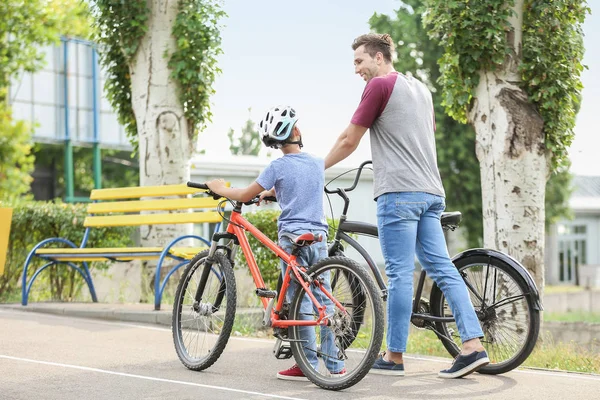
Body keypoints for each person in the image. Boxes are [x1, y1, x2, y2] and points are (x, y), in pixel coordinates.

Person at [323, 33, 489, 379]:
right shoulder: (420, 89)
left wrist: (314, 169)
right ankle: (472, 345)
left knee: (398, 273)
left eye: (360, 62)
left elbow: (349, 139)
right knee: (442, 268)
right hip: (431, 190)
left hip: (399, 194)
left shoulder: (379, 86)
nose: (357, 70)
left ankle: (394, 356)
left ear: (379, 58)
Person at [206, 105, 346, 381]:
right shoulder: (316, 162)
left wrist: (220, 188)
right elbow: (301, 186)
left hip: (292, 239)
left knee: (298, 303)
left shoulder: (277, 166)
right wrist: (273, 193)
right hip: (317, 237)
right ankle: (335, 365)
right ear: (296, 131)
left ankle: (306, 364)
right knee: (323, 299)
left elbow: (245, 194)